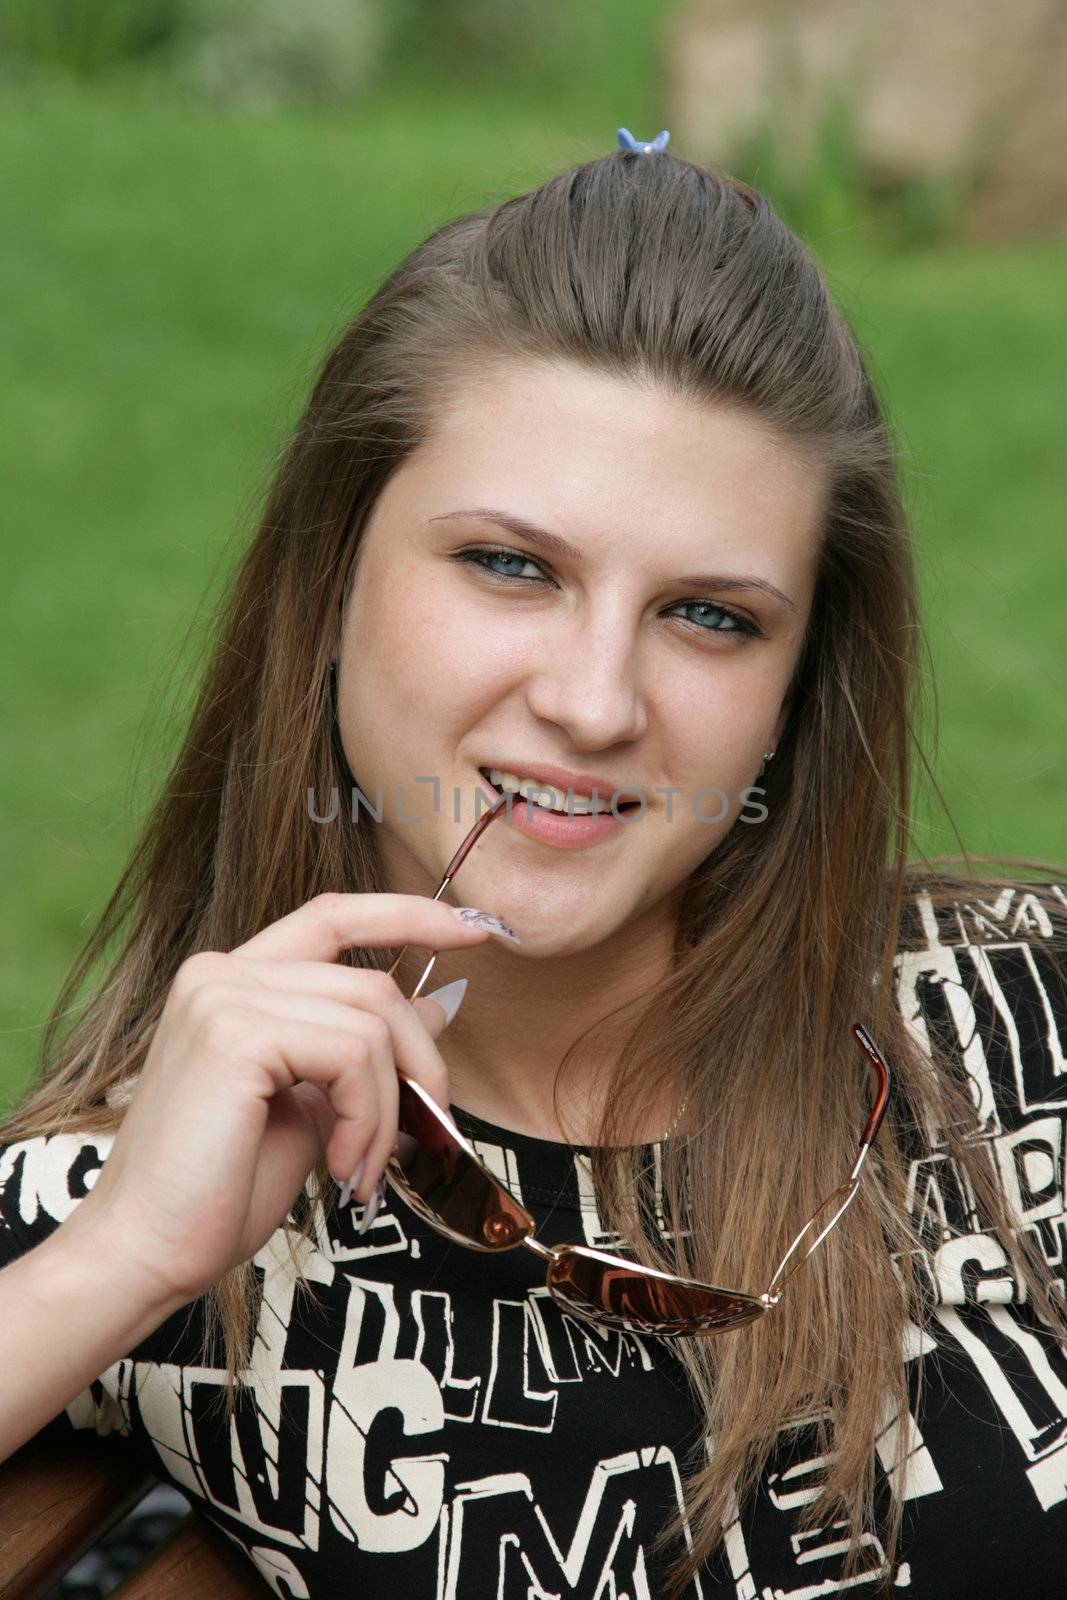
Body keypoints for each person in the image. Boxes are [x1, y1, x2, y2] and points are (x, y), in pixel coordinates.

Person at [1, 125, 1066, 1600]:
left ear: (798, 690)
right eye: (511, 566)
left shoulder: (1030, 1004)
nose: (595, 701)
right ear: (330, 582)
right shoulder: (155, 1200)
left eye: (711, 617)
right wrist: (114, 1266)